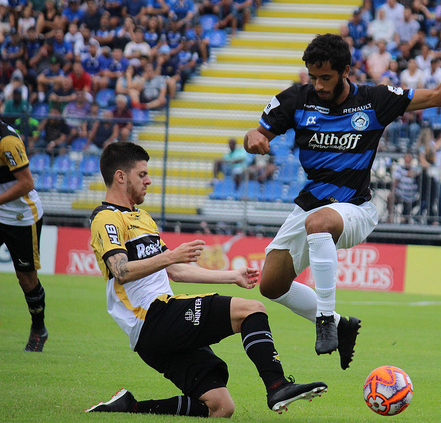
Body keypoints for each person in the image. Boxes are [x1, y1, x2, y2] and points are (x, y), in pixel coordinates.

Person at [244, 33, 441, 366]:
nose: (318, 84)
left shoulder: (374, 100)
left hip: (355, 209)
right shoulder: (296, 99)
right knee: (271, 286)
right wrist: (253, 140)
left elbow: (438, 96)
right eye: (312, 76)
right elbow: (256, 135)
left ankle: (324, 320)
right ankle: (341, 326)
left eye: (326, 78)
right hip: (310, 203)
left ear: (345, 70)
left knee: (319, 222)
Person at [85, 142, 327, 417]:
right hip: (150, 317)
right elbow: (121, 270)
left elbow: (176, 272)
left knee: (221, 408)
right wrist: (171, 256)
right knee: (252, 310)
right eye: (142, 174)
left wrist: (231, 276)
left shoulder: (142, 218)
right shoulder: (106, 218)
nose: (149, 180)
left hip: (156, 332)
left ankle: (129, 407)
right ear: (120, 176)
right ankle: (277, 386)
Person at [0, 119, 46, 351]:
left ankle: (38, 328)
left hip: (21, 217)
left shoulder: (7, 140)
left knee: (26, 279)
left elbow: (27, 182)